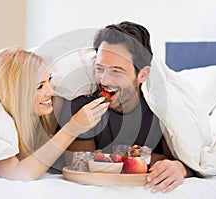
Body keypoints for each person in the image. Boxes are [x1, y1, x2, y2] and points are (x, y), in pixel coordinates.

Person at [58, 21, 194, 193]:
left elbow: (192, 160)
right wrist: (144, 158)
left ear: (142, 75)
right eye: (100, 68)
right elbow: (84, 169)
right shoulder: (81, 109)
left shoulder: (162, 111)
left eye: (116, 71)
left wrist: (179, 167)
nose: (104, 80)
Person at [0, 47, 109, 181]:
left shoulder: (50, 105)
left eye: (50, 80)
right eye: (39, 86)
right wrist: (73, 128)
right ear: (17, 94)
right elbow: (18, 174)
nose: (50, 91)